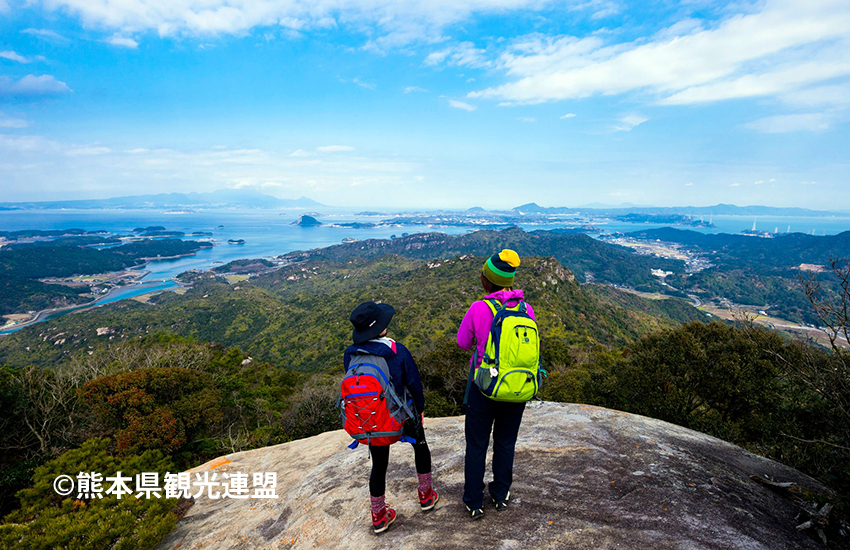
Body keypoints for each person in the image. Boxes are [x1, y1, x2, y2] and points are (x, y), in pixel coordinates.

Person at [344, 301, 439, 534]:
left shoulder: (351, 354)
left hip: (374, 419)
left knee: (379, 464)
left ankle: (379, 516)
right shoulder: (397, 350)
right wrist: (421, 409)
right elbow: (414, 383)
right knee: (421, 446)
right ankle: (426, 496)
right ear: (381, 328)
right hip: (404, 415)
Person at [457, 249, 533, 519]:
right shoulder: (526, 308)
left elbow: (463, 343)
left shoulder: (479, 307)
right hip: (516, 387)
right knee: (505, 441)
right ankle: (501, 494)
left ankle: (474, 501)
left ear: (487, 281)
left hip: (485, 387)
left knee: (477, 444)